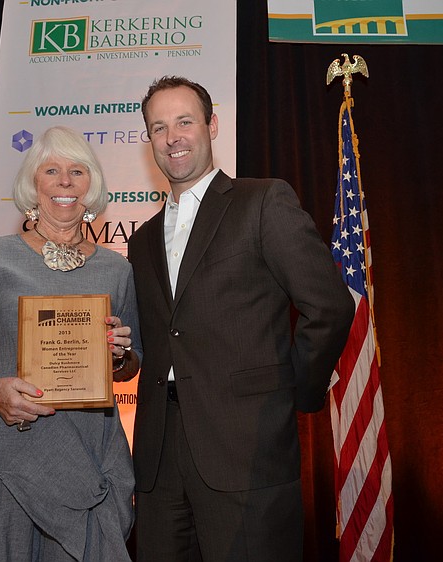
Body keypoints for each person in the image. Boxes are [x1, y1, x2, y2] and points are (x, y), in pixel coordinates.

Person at [125, 76, 356, 561]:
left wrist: (298, 390)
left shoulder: (263, 201)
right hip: (158, 456)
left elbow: (329, 306)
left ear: (212, 125)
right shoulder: (141, 239)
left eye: (185, 121)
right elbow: (157, 339)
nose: (173, 137)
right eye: (159, 127)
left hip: (246, 446)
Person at [0, 125, 142, 562]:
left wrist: (118, 355)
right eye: (51, 170)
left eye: (78, 171)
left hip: (86, 458)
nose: (65, 181)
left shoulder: (117, 269)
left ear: (91, 186)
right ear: (32, 186)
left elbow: (131, 364)